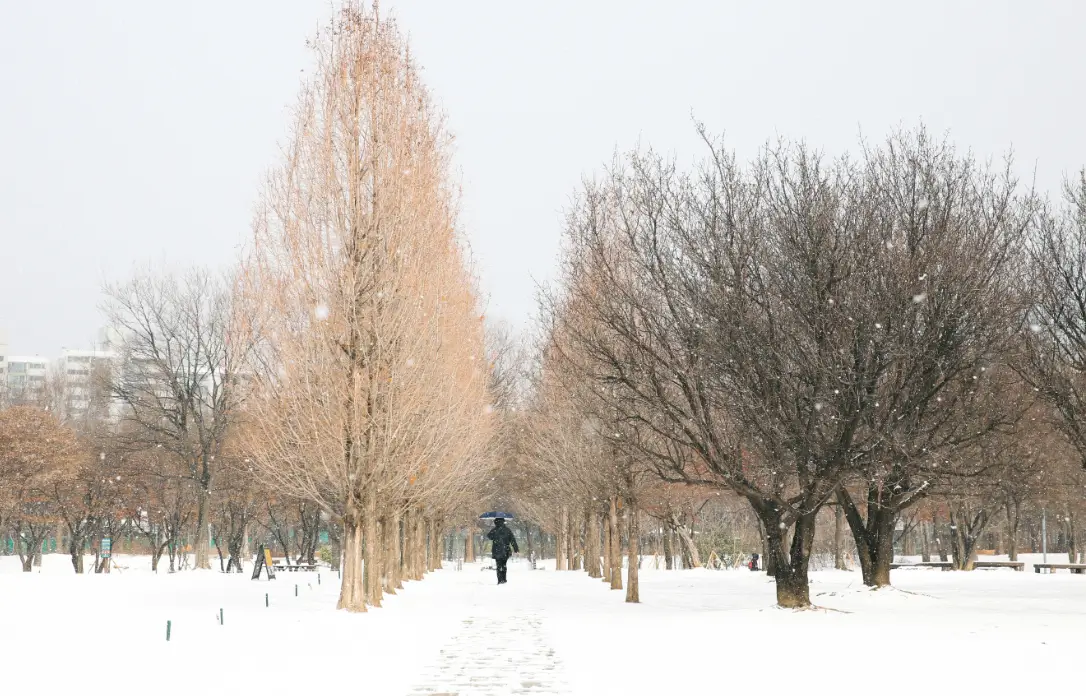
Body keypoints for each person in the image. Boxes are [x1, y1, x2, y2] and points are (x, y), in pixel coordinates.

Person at [486, 517, 519, 584]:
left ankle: (499, 580)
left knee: (498, 566)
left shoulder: (494, 530)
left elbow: (489, 536)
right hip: (505, 550)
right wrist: (516, 549)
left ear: (496, 522)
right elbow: (512, 540)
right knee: (504, 565)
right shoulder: (507, 530)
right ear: (503, 522)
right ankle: (504, 579)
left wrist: (494, 531)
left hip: (496, 550)